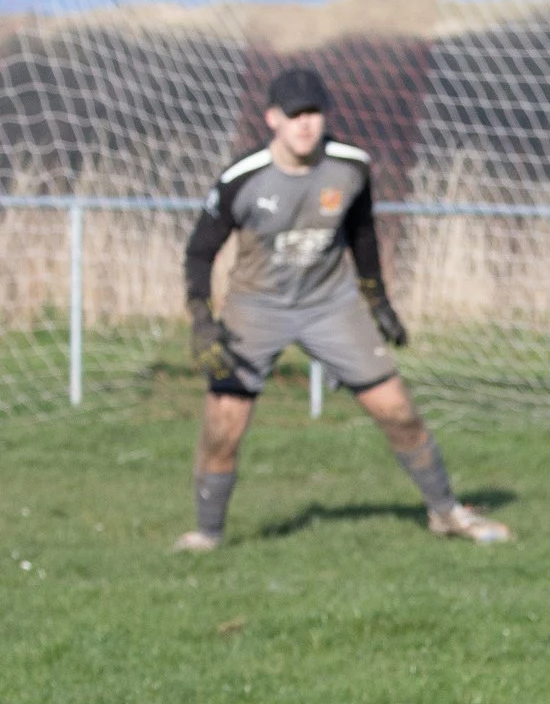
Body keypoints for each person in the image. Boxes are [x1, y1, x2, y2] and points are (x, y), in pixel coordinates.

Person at [175, 67, 508, 552]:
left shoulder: (350, 167)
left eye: (314, 113)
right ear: (272, 119)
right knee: (223, 425)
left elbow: (363, 236)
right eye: (294, 115)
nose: (306, 124)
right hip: (256, 308)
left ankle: (446, 512)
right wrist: (203, 323)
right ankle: (207, 533)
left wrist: (379, 302)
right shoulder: (240, 179)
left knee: (398, 410)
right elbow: (199, 253)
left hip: (331, 304)